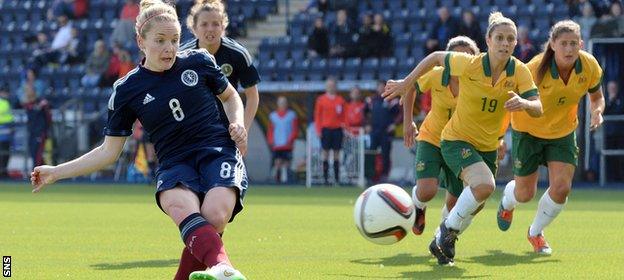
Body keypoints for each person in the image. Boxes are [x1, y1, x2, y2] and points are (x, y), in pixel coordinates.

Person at [29, 1, 249, 279]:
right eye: (160, 40)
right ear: (140, 41)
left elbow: (230, 97)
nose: (169, 48)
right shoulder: (126, 89)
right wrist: (55, 172)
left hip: (217, 151)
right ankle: (223, 269)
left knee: (215, 216)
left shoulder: (199, 61)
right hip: (174, 164)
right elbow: (108, 152)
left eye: (174, 40)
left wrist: (237, 123)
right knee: (182, 207)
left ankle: (220, 268)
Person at [384, 12, 543, 265]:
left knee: (475, 202)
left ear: (515, 43)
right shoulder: (470, 64)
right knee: (482, 186)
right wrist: (407, 81)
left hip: (486, 146)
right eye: (499, 38)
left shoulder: (519, 71)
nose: (505, 43)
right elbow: (436, 57)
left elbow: (538, 106)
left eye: (510, 39)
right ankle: (445, 231)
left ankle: (441, 238)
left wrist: (523, 102)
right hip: (455, 140)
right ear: (488, 41)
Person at [497, 20, 605, 255]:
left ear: (581, 44)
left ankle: (535, 233)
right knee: (525, 194)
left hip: (563, 133)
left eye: (573, 44)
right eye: (564, 43)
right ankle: (507, 201)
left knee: (562, 187)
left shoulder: (589, 65)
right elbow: (510, 103)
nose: (569, 49)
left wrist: (597, 111)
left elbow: (597, 96)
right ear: (553, 44)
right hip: (528, 131)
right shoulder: (535, 68)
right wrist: (499, 137)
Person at [180, 0, 260, 132]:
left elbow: (252, 96)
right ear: (194, 28)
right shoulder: (182, 55)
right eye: (204, 24)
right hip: (192, 131)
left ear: (223, 27)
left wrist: (243, 130)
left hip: (227, 130)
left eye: (215, 24)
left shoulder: (238, 53)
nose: (210, 28)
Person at [366, 80, 401, 182]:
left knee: (385, 154)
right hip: (374, 131)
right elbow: (364, 113)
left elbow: (400, 114)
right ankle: (370, 175)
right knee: (371, 153)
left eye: (383, 86)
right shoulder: (371, 100)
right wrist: (367, 124)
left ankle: (384, 176)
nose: (381, 88)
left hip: (386, 132)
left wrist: (394, 124)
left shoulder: (392, 100)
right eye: (379, 86)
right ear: (376, 88)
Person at [314, 77, 345, 185]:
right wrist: (318, 130)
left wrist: (345, 128)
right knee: (325, 154)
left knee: (337, 154)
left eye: (333, 85)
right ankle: (325, 179)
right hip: (326, 129)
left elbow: (343, 117)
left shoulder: (340, 100)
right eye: (329, 85)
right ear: (326, 87)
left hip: (337, 129)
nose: (331, 87)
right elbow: (317, 116)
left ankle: (337, 179)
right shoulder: (321, 100)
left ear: (335, 87)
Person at [267, 96, 298, 183]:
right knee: (278, 162)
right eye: (281, 102)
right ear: (278, 104)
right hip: (277, 144)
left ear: (287, 104)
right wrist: (271, 140)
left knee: (287, 163)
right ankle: (278, 181)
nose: (282, 104)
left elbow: (295, 129)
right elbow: (270, 130)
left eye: (284, 102)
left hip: (288, 144)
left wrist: (291, 139)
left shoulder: (292, 115)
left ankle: (288, 181)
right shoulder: (273, 116)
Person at [23, 84, 52, 168]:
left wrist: (45, 129)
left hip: (40, 132)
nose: (27, 92)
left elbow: (48, 117)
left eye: (29, 90)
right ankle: (42, 172)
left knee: (38, 154)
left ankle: (37, 174)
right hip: (32, 132)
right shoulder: (28, 103)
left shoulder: (41, 102)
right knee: (33, 153)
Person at [0, 88, 14, 178]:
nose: (7, 94)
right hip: (3, 129)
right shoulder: (3, 102)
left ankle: (3, 171)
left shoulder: (7, 102)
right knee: (3, 152)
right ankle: (2, 171)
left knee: (6, 152)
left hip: (7, 129)